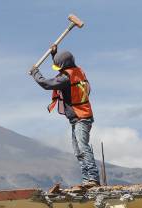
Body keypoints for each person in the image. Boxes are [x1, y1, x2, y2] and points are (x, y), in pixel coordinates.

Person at [30, 46, 100, 188]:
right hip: (79, 117)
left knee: (83, 147)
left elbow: (46, 84)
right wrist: (55, 55)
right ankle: (87, 180)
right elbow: (63, 70)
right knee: (78, 150)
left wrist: (35, 73)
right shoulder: (78, 71)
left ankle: (92, 177)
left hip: (81, 117)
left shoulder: (66, 78)